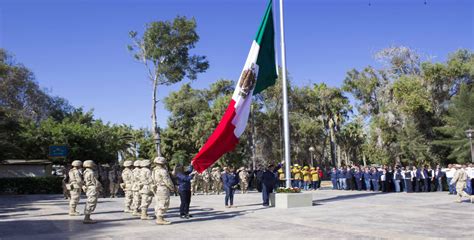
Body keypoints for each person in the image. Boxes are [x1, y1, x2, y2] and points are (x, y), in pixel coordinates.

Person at [152, 157, 175, 225]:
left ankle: (158, 217)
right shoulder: (163, 171)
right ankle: (160, 218)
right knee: (164, 203)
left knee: (158, 202)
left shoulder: (154, 170)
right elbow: (167, 180)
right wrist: (172, 187)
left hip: (157, 187)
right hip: (163, 188)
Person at [82, 160, 101, 224]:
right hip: (92, 188)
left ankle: (87, 217)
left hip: (89, 188)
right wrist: (100, 187)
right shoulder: (91, 172)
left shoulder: (85, 172)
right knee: (91, 202)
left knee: (89, 202)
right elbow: (95, 182)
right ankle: (87, 218)